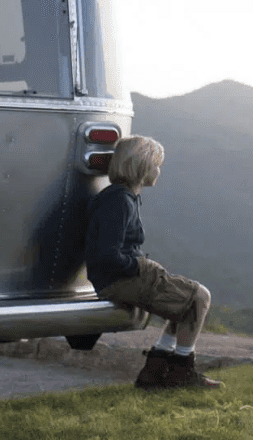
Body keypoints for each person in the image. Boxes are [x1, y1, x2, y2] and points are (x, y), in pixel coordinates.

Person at [84, 136, 222, 389]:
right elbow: (106, 254)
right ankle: (180, 371)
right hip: (119, 279)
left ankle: (156, 370)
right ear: (141, 166)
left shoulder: (125, 197)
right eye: (156, 164)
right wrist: (139, 267)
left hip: (120, 276)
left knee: (186, 302)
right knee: (199, 297)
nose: (159, 170)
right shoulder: (119, 201)